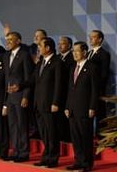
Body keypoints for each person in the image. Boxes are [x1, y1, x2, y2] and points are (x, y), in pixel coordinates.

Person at [0, 31, 33, 162]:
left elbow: (29, 78)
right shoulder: (6, 55)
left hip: (21, 96)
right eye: (7, 40)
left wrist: (26, 96)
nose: (7, 42)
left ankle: (24, 153)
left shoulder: (24, 55)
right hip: (10, 97)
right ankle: (15, 151)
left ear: (18, 41)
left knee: (22, 125)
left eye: (11, 40)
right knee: (13, 126)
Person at [65, 41, 100, 172]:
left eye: (77, 51)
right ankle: (78, 161)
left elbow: (95, 90)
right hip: (73, 109)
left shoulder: (92, 67)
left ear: (85, 52)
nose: (74, 53)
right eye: (73, 51)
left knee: (85, 137)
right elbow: (70, 89)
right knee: (75, 137)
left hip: (85, 108)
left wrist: (92, 107)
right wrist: (67, 106)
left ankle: (87, 164)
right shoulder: (73, 67)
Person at [30, 37, 63, 168]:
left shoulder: (57, 62)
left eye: (41, 46)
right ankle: (45, 157)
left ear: (48, 48)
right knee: (44, 133)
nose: (39, 49)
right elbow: (33, 80)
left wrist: (55, 102)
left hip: (50, 104)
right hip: (38, 104)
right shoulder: (40, 62)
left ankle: (53, 158)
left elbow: (58, 84)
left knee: (52, 132)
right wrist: (19, 86)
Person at [88, 30, 111, 126]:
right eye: (90, 37)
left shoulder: (104, 54)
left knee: (100, 115)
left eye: (93, 37)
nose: (90, 39)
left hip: (98, 89)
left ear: (100, 39)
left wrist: (98, 89)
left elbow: (104, 74)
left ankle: (100, 138)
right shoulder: (88, 53)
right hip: (87, 90)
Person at [57, 36, 74, 143]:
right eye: (59, 43)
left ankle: (68, 137)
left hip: (68, 91)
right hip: (58, 91)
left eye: (62, 43)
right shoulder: (57, 57)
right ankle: (61, 135)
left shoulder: (72, 58)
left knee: (67, 115)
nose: (60, 45)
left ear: (69, 45)